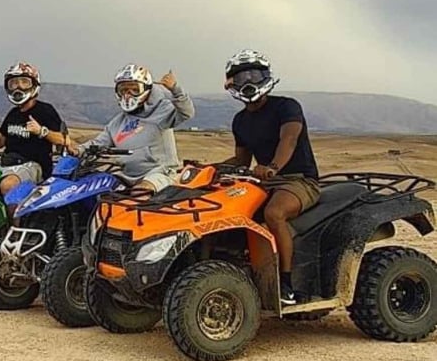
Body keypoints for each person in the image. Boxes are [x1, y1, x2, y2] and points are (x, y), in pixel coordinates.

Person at [219, 50, 321, 306]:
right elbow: (242, 160)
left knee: (274, 213)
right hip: (265, 182)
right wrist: (210, 168)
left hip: (299, 180)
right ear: (231, 83)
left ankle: (286, 285)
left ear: (266, 76)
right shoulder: (240, 121)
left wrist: (273, 167)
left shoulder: (286, 107)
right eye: (241, 77)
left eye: (254, 75)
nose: (248, 81)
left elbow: (289, 139)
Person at [78, 65, 194, 193]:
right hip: (126, 175)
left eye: (135, 89)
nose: (128, 95)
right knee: (94, 189)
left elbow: (186, 113)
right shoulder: (117, 122)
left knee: (139, 194)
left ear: (147, 89)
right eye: (123, 90)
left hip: (159, 173)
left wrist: (175, 89)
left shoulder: (162, 110)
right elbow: (98, 143)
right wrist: (77, 150)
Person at [0, 62, 68, 196]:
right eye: (13, 83)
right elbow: (0, 141)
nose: (19, 87)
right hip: (8, 163)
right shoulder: (13, 113)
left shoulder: (45, 110)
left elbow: (63, 140)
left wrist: (41, 131)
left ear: (34, 84)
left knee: (8, 185)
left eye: (24, 82)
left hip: (34, 165)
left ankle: (15, 211)